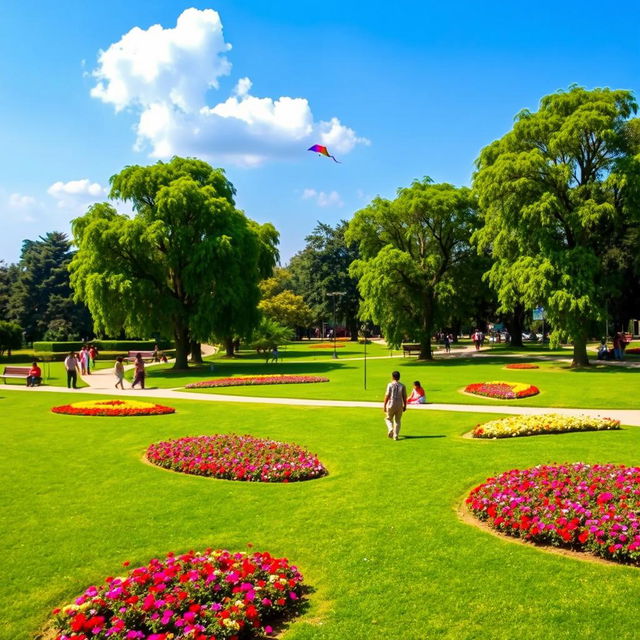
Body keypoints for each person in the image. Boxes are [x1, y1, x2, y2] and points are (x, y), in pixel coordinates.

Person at [383, 371, 407, 440]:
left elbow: (387, 395)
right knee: (398, 420)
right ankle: (396, 435)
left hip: (391, 403)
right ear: (399, 377)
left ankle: (390, 429)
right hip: (399, 404)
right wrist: (405, 405)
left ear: (392, 377)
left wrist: (384, 405)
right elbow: (404, 396)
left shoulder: (390, 385)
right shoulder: (402, 385)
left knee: (388, 418)